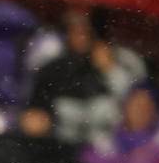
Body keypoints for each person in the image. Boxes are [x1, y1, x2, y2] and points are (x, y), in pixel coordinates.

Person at [20, 8, 146, 146]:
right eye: (74, 32)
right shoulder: (53, 69)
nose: (80, 37)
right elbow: (36, 107)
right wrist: (40, 118)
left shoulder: (119, 60)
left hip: (109, 147)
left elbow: (134, 102)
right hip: (60, 145)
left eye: (85, 32)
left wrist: (110, 69)